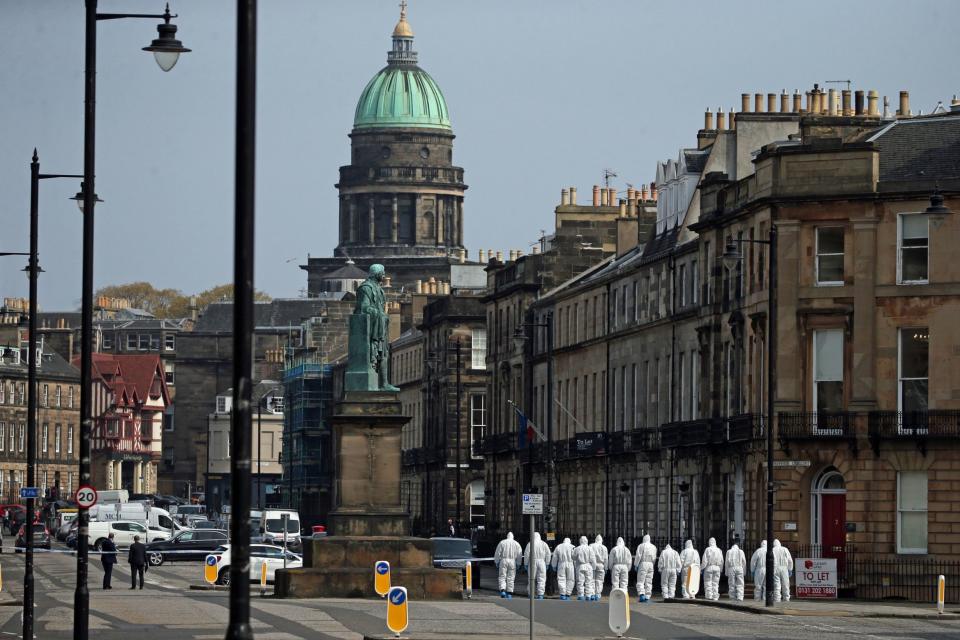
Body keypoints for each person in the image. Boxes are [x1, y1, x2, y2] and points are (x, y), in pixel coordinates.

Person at [494, 531, 523, 599]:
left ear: (507, 536)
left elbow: (497, 553)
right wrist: (518, 563)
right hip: (512, 561)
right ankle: (509, 593)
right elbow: (519, 555)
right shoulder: (516, 544)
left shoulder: (502, 542)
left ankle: (503, 590)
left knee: (502, 576)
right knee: (511, 577)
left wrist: (497, 561)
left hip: (503, 560)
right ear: (513, 537)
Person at [524, 531, 552, 599]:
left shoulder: (530, 544)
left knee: (531, 578)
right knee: (542, 578)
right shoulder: (544, 544)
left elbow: (527, 554)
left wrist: (526, 563)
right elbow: (548, 553)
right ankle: (540, 594)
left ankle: (531, 594)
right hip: (542, 562)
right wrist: (547, 563)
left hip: (533, 561)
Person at [634, 534, 658, 602]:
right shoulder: (654, 547)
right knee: (649, 580)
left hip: (643, 563)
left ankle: (642, 594)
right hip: (651, 564)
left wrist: (636, 564)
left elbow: (638, 555)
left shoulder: (641, 545)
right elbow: (654, 557)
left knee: (641, 580)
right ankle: (648, 596)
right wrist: (652, 564)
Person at [572, 536, 596, 601]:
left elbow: (573, 557)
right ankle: (588, 595)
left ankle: (581, 595)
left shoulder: (577, 549)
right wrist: (594, 567)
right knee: (589, 581)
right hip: (588, 566)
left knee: (580, 581)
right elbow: (593, 559)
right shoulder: (590, 548)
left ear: (580, 541)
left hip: (580, 566)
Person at [589, 535, 608, 599]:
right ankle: (597, 594)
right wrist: (606, 567)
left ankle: (592, 594)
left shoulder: (591, 546)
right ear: (601, 540)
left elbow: (589, 555)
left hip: (592, 565)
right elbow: (606, 559)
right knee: (599, 580)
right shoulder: (604, 547)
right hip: (601, 565)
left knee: (592, 580)